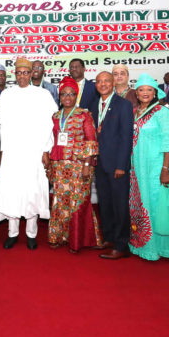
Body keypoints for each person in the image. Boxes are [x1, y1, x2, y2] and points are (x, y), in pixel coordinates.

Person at [0, 57, 56, 249]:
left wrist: (46, 149)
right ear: (15, 74)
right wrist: (0, 150)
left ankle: (31, 233)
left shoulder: (43, 95)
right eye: (18, 73)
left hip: (34, 152)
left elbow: (49, 124)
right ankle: (12, 233)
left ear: (32, 74)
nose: (22, 76)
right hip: (12, 152)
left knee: (32, 191)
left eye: (25, 72)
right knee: (13, 191)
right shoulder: (7, 95)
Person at [128, 74, 169, 265]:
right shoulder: (135, 112)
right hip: (137, 168)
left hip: (155, 167)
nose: (145, 93)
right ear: (136, 93)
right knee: (139, 202)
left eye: (149, 90)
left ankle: (158, 247)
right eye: (141, 90)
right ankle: (141, 243)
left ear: (155, 92)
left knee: (156, 205)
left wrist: (165, 169)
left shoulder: (162, 112)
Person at [48, 77, 102, 253]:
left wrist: (87, 164)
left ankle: (77, 240)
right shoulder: (55, 117)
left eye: (71, 94)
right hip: (60, 167)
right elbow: (52, 141)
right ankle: (60, 236)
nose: (67, 97)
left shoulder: (83, 115)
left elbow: (91, 141)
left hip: (79, 166)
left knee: (77, 202)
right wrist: (50, 165)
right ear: (60, 96)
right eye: (64, 94)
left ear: (76, 96)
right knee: (60, 202)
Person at [90, 71, 133, 259]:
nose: (103, 84)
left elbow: (126, 137)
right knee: (105, 203)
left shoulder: (123, 105)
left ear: (113, 82)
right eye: (99, 81)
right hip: (99, 164)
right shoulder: (93, 105)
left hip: (117, 165)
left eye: (107, 80)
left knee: (119, 205)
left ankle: (122, 245)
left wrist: (122, 165)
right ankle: (108, 238)